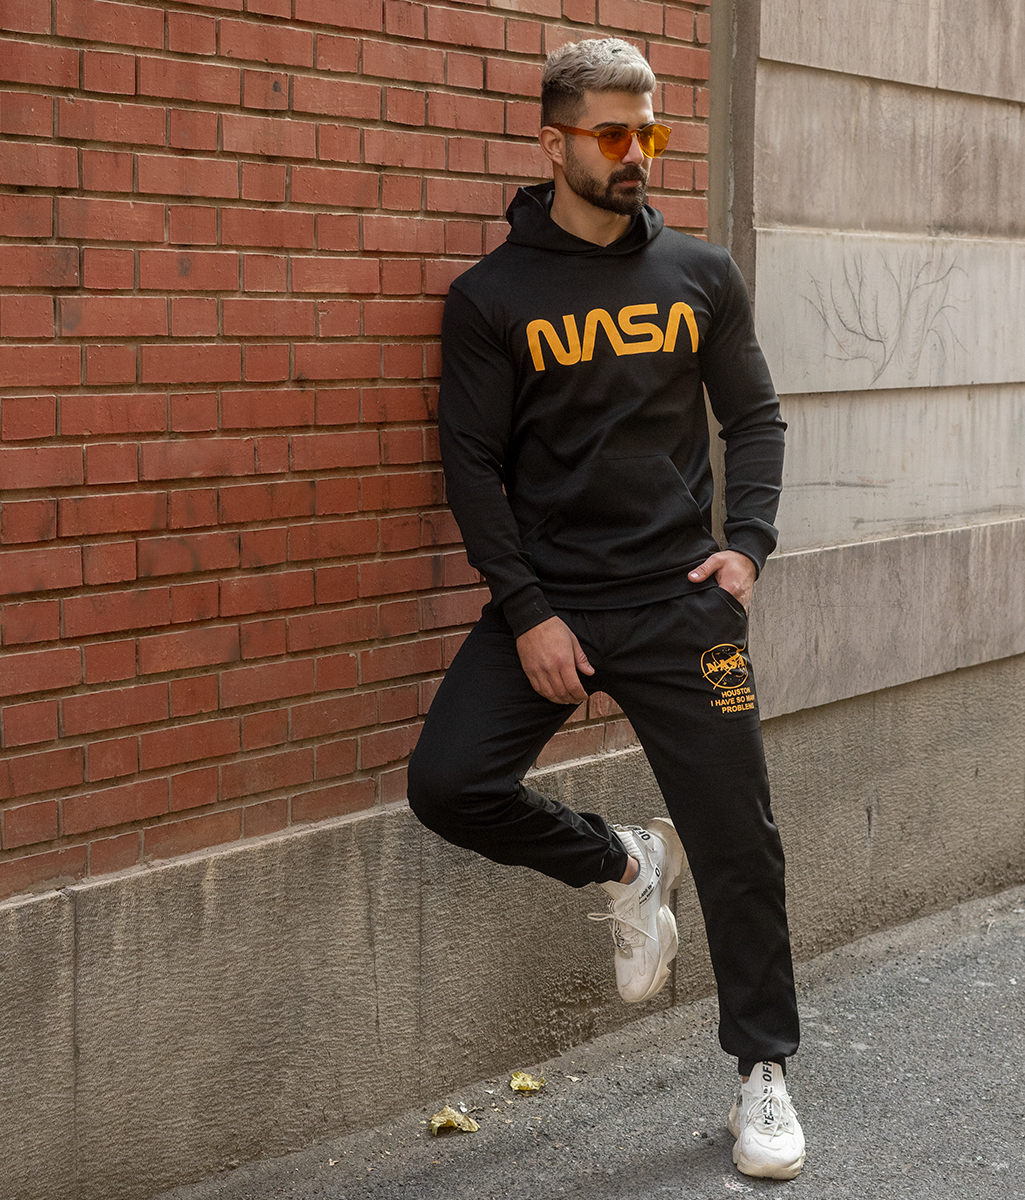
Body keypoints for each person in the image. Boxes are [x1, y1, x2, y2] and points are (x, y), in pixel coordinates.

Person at [407, 37, 804, 1180]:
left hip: (682, 603)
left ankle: (762, 1072)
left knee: (738, 839)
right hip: (555, 606)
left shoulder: (700, 274)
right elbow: (473, 469)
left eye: (651, 132)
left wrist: (748, 548)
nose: (638, 153)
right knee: (449, 783)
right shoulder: (491, 298)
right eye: (613, 133)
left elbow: (755, 420)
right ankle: (623, 863)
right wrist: (527, 610)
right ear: (554, 141)